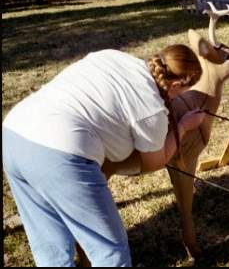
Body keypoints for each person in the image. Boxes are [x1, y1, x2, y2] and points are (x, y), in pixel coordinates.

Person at [2, 45, 205, 267]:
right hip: (61, 154)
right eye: (184, 92)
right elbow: (155, 161)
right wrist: (184, 126)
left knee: (51, 247)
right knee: (109, 251)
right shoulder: (151, 109)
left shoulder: (113, 56)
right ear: (176, 85)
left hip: (14, 134)